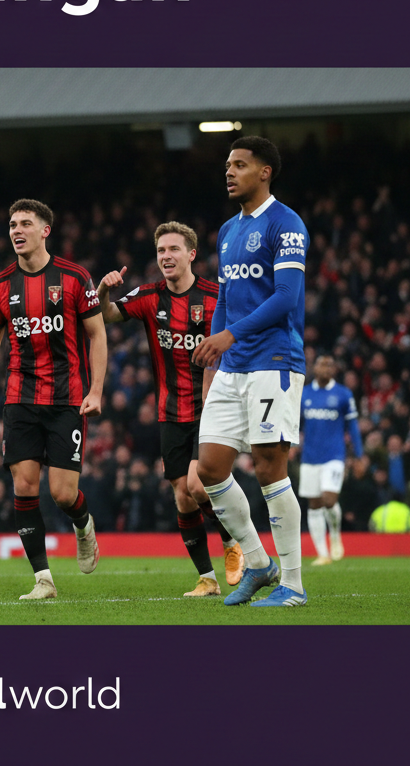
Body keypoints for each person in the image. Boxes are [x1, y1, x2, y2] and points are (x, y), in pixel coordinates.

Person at [0, 199, 107, 600]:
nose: (16, 230)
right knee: (24, 487)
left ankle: (83, 525)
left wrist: (95, 390)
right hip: (20, 398)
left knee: (62, 493)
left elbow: (97, 334)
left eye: (26, 223)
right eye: (12, 224)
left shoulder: (75, 278)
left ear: (46, 230)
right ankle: (43, 578)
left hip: (66, 399)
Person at [192, 137, 311, 608]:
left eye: (240, 164)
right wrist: (217, 349)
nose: (230, 171)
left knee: (267, 467)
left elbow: (286, 296)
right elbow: (224, 297)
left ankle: (294, 586)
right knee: (209, 468)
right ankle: (260, 565)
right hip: (233, 365)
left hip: (274, 362)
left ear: (265, 172)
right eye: (227, 164)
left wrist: (230, 336)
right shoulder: (226, 231)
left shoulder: (286, 223)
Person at [98, 222, 244, 597]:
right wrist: (102, 292)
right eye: (161, 250)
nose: (166, 256)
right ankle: (207, 579)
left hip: (213, 405)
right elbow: (107, 315)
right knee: (183, 495)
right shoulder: (149, 296)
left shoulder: (216, 296)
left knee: (200, 485)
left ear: (191, 254)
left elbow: (241, 335)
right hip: (170, 409)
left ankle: (233, 541)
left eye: (174, 249)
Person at [299, 353, 362, 564]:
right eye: (321, 364)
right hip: (310, 457)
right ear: (315, 368)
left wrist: (359, 454)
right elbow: (295, 423)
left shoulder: (343, 394)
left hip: (334, 455)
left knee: (329, 499)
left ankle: (335, 535)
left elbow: (352, 426)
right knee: (314, 504)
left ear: (334, 369)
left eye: (329, 365)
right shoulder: (304, 393)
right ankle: (322, 553)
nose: (325, 368)